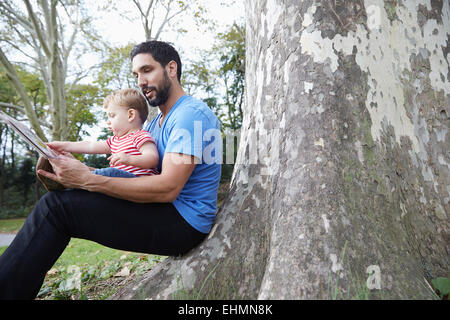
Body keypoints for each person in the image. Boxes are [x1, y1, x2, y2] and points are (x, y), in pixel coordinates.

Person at [0, 40, 222, 299]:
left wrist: (87, 180)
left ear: (171, 68)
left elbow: (167, 188)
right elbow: (130, 173)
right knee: (59, 203)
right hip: (163, 211)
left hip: (183, 223)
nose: (141, 80)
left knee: (57, 208)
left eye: (147, 70)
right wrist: (79, 174)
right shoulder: (154, 125)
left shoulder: (190, 115)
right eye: (136, 74)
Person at [48, 88, 159, 179]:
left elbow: (152, 158)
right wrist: (62, 146)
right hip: (120, 185)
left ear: (130, 115)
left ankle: (79, 179)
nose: (108, 121)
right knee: (107, 174)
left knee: (110, 173)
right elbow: (89, 146)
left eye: (112, 115)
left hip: (139, 183)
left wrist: (129, 159)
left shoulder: (141, 136)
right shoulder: (114, 141)